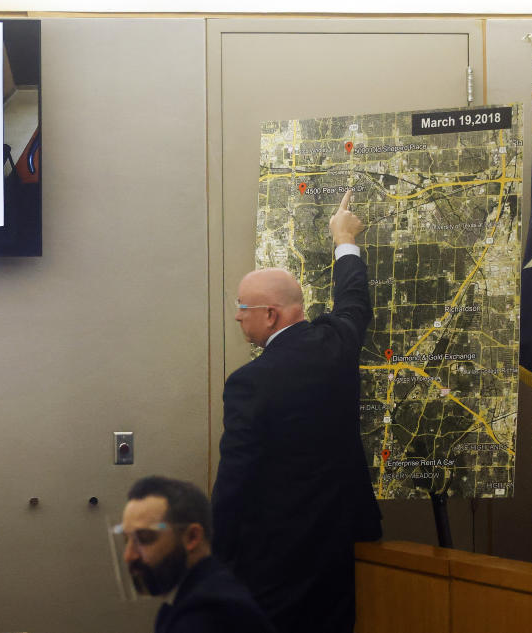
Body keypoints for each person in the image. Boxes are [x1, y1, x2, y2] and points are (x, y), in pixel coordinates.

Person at [211, 191, 382, 633]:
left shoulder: (249, 383)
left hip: (274, 559)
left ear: (269, 315)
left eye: (242, 309)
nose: (237, 318)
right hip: (338, 546)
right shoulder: (337, 344)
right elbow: (354, 302)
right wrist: (344, 240)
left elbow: (235, 480)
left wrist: (216, 558)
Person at [116, 475, 276, 633]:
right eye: (126, 539)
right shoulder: (202, 590)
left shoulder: (206, 615)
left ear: (192, 537)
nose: (129, 555)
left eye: (144, 539)